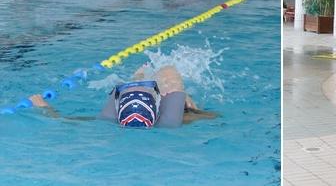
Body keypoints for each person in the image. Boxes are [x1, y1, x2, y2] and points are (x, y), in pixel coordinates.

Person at [28, 64, 216, 128]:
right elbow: (214, 116)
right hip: (178, 108)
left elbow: (66, 120)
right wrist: (191, 105)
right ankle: (138, 78)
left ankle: (137, 77)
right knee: (170, 75)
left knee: (131, 86)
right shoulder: (179, 118)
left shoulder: (112, 119)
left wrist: (45, 108)